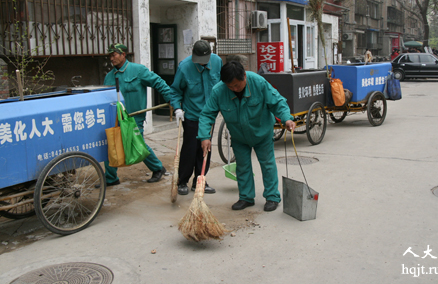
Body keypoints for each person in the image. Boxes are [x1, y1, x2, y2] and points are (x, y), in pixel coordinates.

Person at [198, 57, 296, 212]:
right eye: (230, 86)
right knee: (243, 167)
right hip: (239, 136)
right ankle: (246, 197)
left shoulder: (258, 83)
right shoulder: (219, 91)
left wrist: (287, 118)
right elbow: (207, 114)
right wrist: (204, 136)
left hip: (262, 133)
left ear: (244, 76)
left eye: (237, 85)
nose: (234, 88)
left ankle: (272, 197)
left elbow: (277, 102)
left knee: (267, 164)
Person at [102, 43, 171, 186]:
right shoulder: (109, 77)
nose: (111, 58)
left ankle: (158, 168)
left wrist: (171, 99)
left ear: (123, 54)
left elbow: (158, 82)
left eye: (114, 54)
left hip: (135, 116)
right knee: (111, 143)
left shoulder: (138, 71)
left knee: (137, 143)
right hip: (115, 117)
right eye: (110, 55)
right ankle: (110, 178)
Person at [170, 40, 222, 196]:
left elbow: (221, 85)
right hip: (192, 114)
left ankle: (200, 180)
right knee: (190, 149)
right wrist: (177, 107)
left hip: (210, 115)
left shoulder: (217, 62)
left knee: (205, 149)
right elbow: (175, 90)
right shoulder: (185, 67)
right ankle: (182, 181)